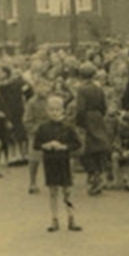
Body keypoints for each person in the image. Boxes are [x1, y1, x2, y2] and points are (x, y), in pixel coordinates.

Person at [32, 96, 83, 232]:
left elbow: (77, 144)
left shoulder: (68, 127)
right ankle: (54, 219)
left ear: (63, 111)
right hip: (50, 161)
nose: (54, 112)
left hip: (64, 161)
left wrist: (64, 147)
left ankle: (71, 218)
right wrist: (46, 145)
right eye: (51, 110)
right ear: (47, 111)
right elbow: (36, 144)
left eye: (57, 110)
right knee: (53, 191)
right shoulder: (43, 128)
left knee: (67, 191)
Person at [74, 63, 112, 196]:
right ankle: (97, 175)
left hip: (88, 118)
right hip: (98, 118)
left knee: (86, 150)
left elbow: (80, 109)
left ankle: (94, 176)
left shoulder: (81, 89)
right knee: (98, 149)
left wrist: (79, 123)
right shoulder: (98, 88)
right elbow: (103, 106)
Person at [22, 79, 51, 195]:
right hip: (36, 134)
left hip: (50, 132)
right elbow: (27, 120)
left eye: (45, 87)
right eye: (40, 87)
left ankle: (51, 182)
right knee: (34, 158)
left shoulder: (50, 101)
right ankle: (32, 182)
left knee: (50, 159)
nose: (43, 89)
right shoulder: (31, 102)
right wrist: (35, 129)